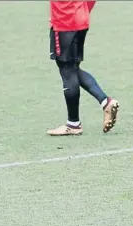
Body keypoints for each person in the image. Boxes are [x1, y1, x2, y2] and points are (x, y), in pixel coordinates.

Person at [47, 0, 119, 136]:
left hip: (64, 21)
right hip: (80, 19)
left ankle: (73, 123)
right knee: (73, 68)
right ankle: (105, 102)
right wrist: (83, 11)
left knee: (67, 69)